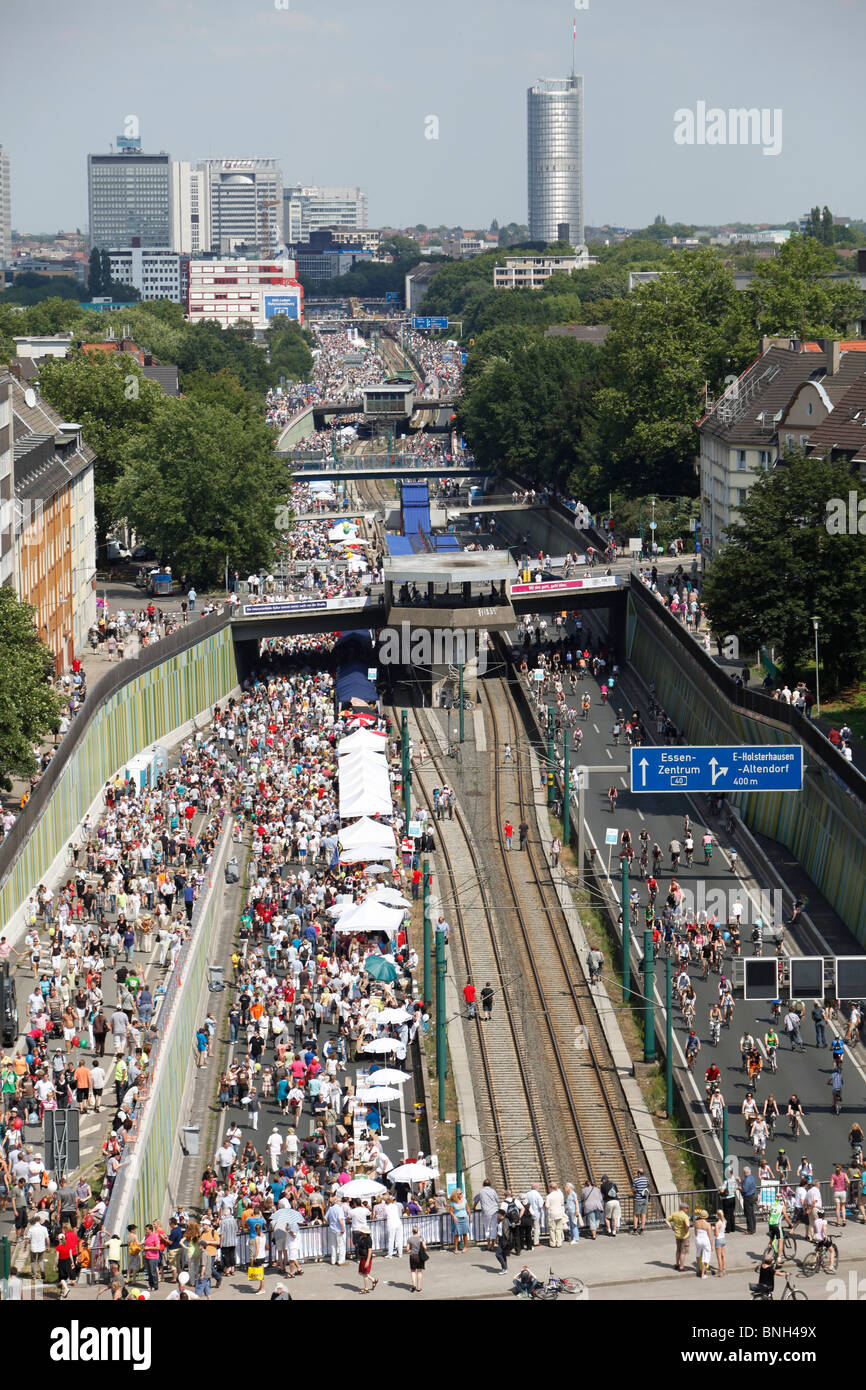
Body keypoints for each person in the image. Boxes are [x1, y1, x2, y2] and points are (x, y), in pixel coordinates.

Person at [665, 1203, 690, 1271]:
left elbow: (666, 1220)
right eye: (687, 1208)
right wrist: (686, 1230)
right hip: (684, 1236)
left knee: (678, 1250)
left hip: (677, 1235)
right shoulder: (685, 1216)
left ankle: (677, 1264)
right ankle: (681, 1267)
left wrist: (671, 1227)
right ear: (683, 1208)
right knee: (683, 1252)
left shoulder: (675, 1214)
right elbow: (687, 1225)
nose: (687, 1210)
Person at [406, 1225, 428, 1292]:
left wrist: (411, 1251)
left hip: (413, 1256)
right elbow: (425, 1247)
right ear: (417, 1231)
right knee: (419, 1271)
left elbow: (407, 1249)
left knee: (413, 1271)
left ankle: (413, 1286)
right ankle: (418, 1288)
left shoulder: (409, 1239)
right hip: (419, 1256)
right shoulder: (421, 1238)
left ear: (412, 1231)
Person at [449, 1187, 470, 1253]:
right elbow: (451, 1211)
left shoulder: (464, 1200)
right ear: (456, 1194)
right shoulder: (453, 1202)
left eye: (461, 1193)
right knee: (456, 1234)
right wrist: (454, 1217)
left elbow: (467, 1209)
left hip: (464, 1217)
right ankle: (455, 1248)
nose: (461, 1195)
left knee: (465, 1233)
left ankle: (465, 1247)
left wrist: (470, 1216)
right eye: (459, 1194)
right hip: (457, 1218)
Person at [694, 1209, 713, 1279]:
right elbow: (710, 1237)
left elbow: (695, 1233)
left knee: (698, 1253)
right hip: (705, 1240)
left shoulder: (696, 1222)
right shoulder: (708, 1224)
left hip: (698, 1239)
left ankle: (698, 1269)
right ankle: (703, 1274)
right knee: (705, 1257)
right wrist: (712, 1246)